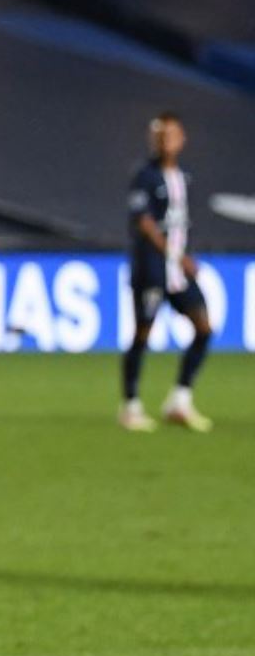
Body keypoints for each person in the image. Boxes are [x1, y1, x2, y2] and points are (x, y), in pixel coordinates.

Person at [121, 111, 213, 432]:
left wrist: (185, 256)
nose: (164, 141)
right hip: (152, 270)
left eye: (170, 135)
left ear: (182, 139)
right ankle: (130, 405)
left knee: (204, 328)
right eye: (159, 135)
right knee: (142, 334)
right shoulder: (144, 176)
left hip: (178, 272)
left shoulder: (184, 178)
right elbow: (143, 222)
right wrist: (177, 255)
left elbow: (180, 224)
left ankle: (180, 399)